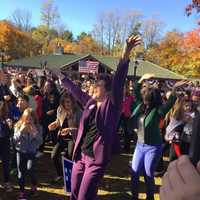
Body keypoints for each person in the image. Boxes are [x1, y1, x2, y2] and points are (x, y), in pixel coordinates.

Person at [53, 35, 141, 200]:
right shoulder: (91, 103)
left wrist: (126, 51)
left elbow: (119, 80)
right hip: (80, 156)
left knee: (84, 197)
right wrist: (61, 76)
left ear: (108, 91)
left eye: (98, 85)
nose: (94, 86)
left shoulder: (112, 106)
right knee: (73, 193)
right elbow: (76, 92)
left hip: (96, 160)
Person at [130, 74, 188, 200]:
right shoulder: (141, 105)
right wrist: (142, 79)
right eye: (143, 95)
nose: (143, 98)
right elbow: (136, 91)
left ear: (151, 99)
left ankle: (150, 197)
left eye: (146, 96)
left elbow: (170, 102)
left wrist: (174, 89)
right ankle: (134, 196)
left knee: (148, 174)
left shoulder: (158, 111)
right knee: (134, 173)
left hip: (152, 147)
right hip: (140, 145)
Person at [48, 92, 81, 183]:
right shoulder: (60, 109)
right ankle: (60, 174)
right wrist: (54, 124)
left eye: (68, 102)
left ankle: (72, 176)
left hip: (73, 137)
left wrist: (70, 129)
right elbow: (58, 121)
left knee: (70, 156)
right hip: (62, 137)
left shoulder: (78, 112)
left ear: (73, 102)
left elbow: (82, 128)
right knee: (54, 155)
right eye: (64, 102)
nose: (67, 104)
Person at [14, 108, 42, 200]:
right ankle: (21, 191)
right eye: (26, 118)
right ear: (23, 118)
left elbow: (40, 142)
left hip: (31, 152)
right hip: (20, 152)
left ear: (34, 119)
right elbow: (13, 141)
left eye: (31, 118)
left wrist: (35, 133)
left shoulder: (38, 127)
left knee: (30, 169)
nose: (28, 121)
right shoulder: (18, 126)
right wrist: (21, 131)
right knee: (21, 172)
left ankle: (34, 185)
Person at [0, 99, 13, 192]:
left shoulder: (8, 117)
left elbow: (11, 132)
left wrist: (10, 126)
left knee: (5, 163)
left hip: (5, 142)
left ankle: (7, 182)